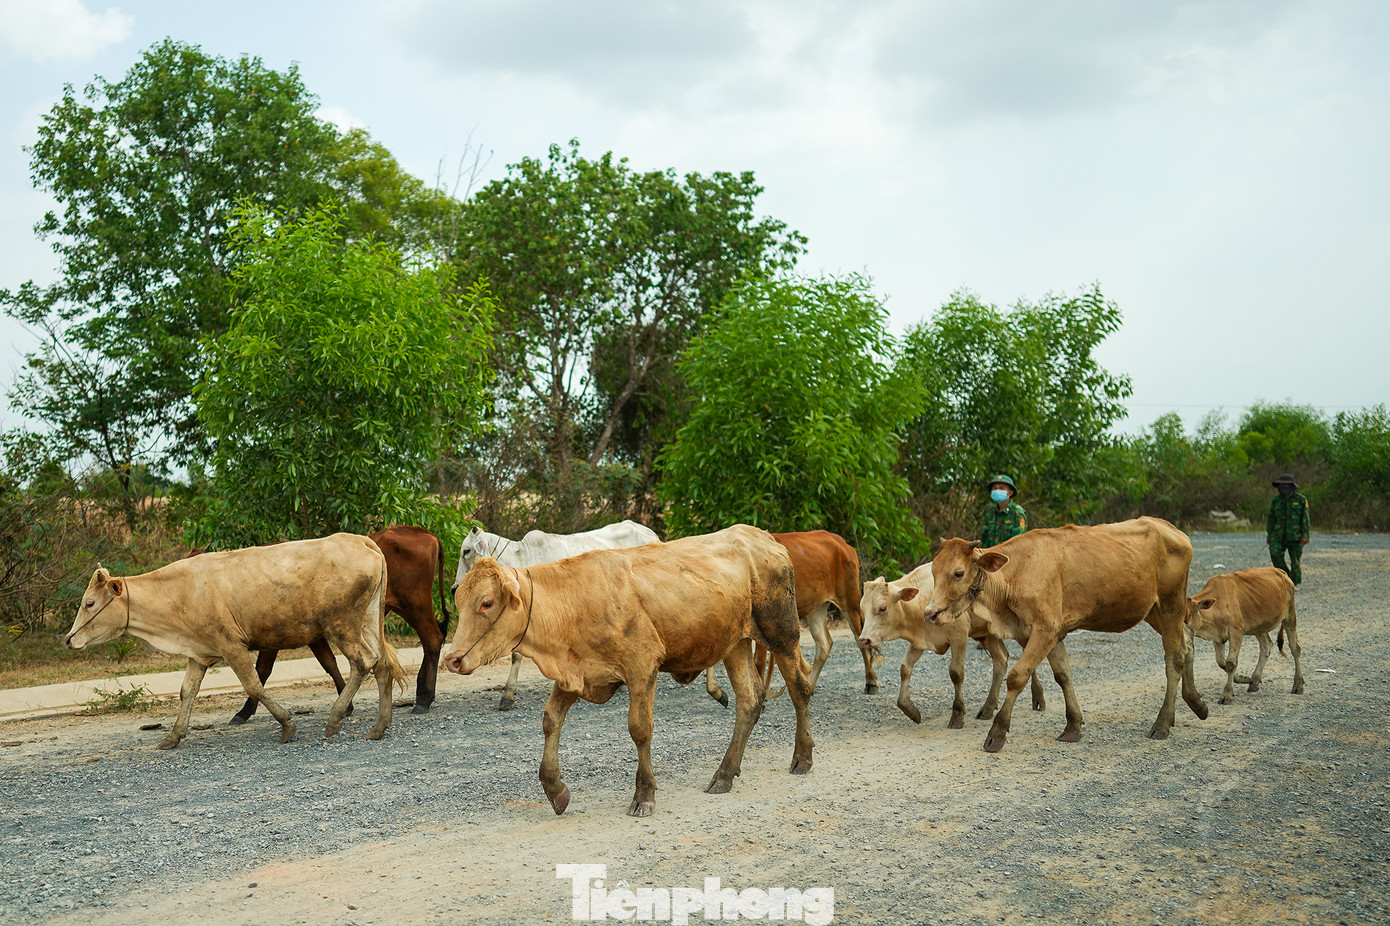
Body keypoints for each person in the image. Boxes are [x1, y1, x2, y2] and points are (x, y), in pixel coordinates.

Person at [1267, 473, 1310, 585]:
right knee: (1275, 554)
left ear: (1292, 486)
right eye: (1282, 485)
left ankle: (1294, 583)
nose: (1284, 487)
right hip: (1278, 535)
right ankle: (1285, 578)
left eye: (1286, 485)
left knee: (1295, 561)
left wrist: (1305, 535)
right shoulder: (1276, 501)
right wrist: (1270, 535)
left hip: (1296, 536)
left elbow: (1305, 519)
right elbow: (1271, 519)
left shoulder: (1301, 500)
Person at [981, 474, 1027, 547]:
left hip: (1010, 556)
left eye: (1001, 488)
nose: (997, 491)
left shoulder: (1017, 512)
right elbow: (985, 540)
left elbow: (1019, 542)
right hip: (990, 556)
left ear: (1010, 492)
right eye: (995, 488)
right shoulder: (990, 512)